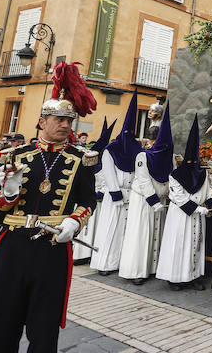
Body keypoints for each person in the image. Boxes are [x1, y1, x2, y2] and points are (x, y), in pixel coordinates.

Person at [0, 61, 99, 352]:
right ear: (42, 121)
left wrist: (74, 222)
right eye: (60, 120)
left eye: (70, 121)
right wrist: (7, 193)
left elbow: (88, 200)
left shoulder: (81, 159)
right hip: (14, 246)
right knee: (5, 320)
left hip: (53, 247)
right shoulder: (14, 155)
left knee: (44, 328)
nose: (67, 126)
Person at [156, 115, 212, 290]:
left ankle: (193, 276)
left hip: (197, 217)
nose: (193, 163)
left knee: (196, 245)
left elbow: (208, 193)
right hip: (181, 217)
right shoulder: (176, 175)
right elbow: (178, 198)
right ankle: (175, 278)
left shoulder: (202, 174)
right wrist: (199, 209)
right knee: (179, 245)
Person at [120, 103, 173, 285]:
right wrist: (154, 200)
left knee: (156, 234)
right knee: (141, 234)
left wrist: (166, 196)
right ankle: (136, 270)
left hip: (160, 200)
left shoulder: (169, 157)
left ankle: (151, 267)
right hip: (144, 201)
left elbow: (169, 178)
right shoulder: (143, 156)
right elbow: (143, 180)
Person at [91, 92, 141, 276]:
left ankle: (121, 262)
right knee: (110, 229)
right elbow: (108, 172)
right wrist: (115, 192)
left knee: (126, 231)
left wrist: (136, 190)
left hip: (131, 194)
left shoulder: (137, 149)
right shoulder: (110, 150)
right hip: (115, 196)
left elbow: (139, 171)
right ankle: (105, 263)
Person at [73, 119, 115, 264]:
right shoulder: (86, 163)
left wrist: (101, 192)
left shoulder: (105, 165)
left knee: (94, 229)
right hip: (85, 200)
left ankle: (88, 252)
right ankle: (78, 254)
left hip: (99, 202)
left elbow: (106, 182)